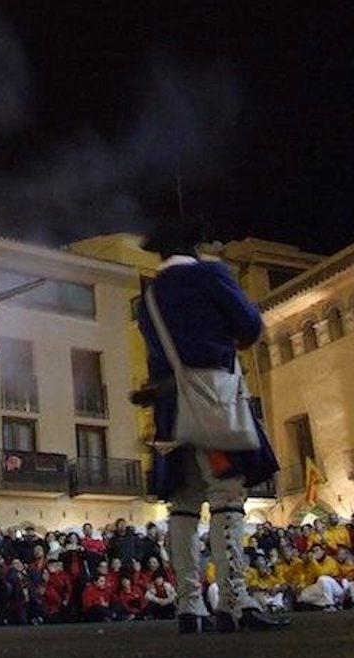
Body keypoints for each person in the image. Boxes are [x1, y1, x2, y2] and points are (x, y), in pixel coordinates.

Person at [135, 224, 286, 634]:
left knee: (182, 505)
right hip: (213, 406)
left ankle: (189, 606)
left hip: (171, 412)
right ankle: (235, 601)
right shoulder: (211, 274)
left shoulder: (147, 297)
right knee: (227, 496)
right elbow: (250, 325)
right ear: (195, 247)